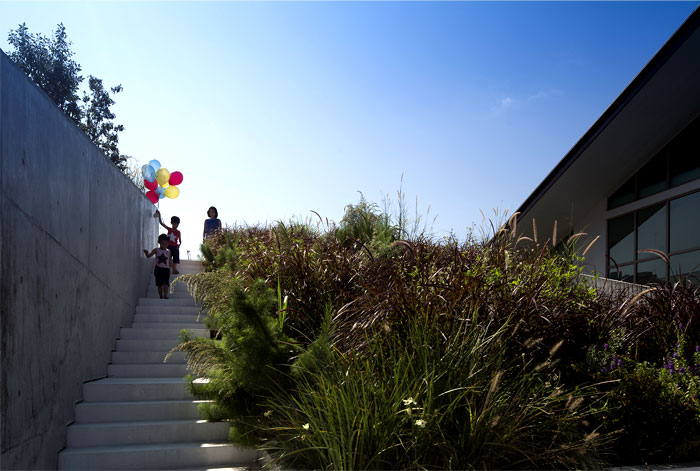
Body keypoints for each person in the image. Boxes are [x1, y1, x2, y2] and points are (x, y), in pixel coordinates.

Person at [144, 234, 175, 299]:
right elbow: (149, 256)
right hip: (158, 269)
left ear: (168, 244)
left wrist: (174, 268)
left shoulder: (168, 251)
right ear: (159, 242)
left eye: (166, 243)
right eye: (162, 243)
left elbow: (169, 261)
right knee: (159, 284)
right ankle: (161, 296)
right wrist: (146, 253)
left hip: (166, 270)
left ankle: (165, 296)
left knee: (166, 284)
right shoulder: (156, 250)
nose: (164, 245)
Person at [155, 210, 181, 274]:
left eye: (177, 224)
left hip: (175, 247)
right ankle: (170, 269)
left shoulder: (178, 232)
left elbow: (180, 241)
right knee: (168, 258)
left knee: (175, 259)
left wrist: (179, 245)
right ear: (172, 223)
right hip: (169, 246)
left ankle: (174, 270)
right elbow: (161, 223)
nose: (176, 225)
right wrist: (159, 215)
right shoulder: (169, 229)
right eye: (175, 223)